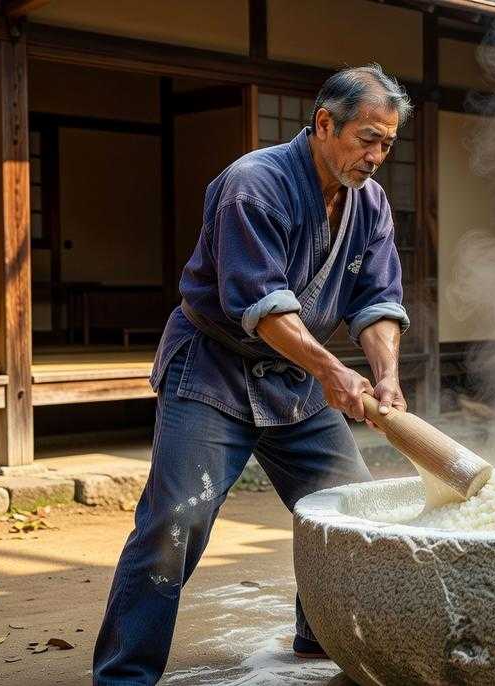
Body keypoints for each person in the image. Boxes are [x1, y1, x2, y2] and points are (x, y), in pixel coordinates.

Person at [93, 65, 413, 684]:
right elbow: (261, 306)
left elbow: (377, 301)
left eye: (387, 144)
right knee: (175, 522)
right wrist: (332, 372)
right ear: (324, 124)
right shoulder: (254, 185)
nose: (376, 156)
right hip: (213, 369)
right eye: (366, 138)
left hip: (297, 378)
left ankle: (319, 634)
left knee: (349, 512)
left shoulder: (369, 203)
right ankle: (125, 674)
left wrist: (386, 374)